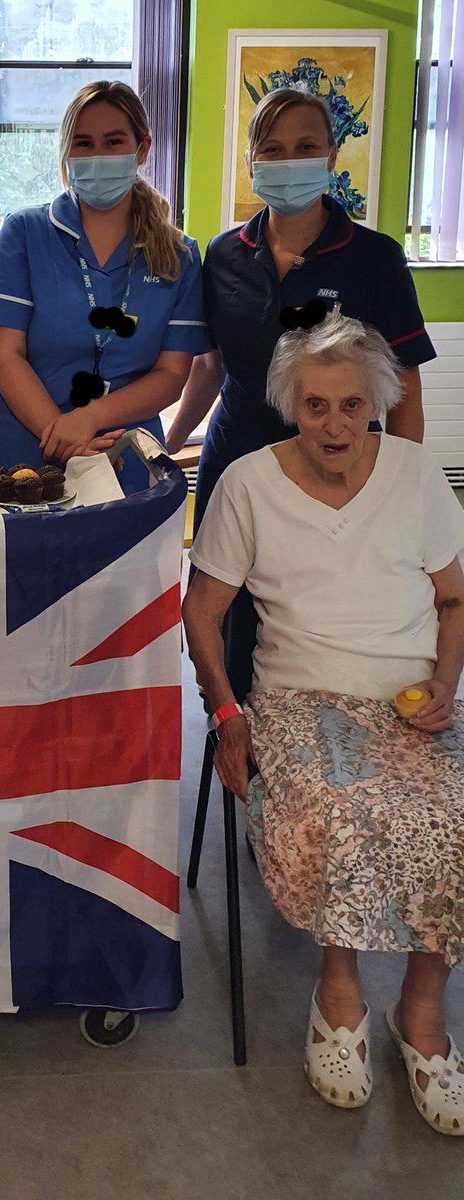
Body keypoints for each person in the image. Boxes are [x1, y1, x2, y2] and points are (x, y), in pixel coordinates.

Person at [182, 310, 464, 1135]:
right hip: (299, 698)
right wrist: (225, 710)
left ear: (376, 402)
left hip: (410, 694)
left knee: (453, 814)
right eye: (314, 405)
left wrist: (446, 681)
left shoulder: (415, 474)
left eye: (350, 405)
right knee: (341, 812)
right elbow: (201, 613)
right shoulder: (245, 484)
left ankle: (421, 1009)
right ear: (289, 406)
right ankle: (336, 993)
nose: (333, 424)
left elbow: (451, 599)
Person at [167, 87, 436, 698]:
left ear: (332, 156)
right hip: (236, 457)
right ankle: (236, 742)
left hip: (335, 463)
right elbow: (208, 369)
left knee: (316, 615)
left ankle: (324, 758)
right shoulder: (224, 254)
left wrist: (400, 483)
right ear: (252, 159)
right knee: (226, 618)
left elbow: (405, 386)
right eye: (273, 148)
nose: (289, 161)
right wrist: (167, 444)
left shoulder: (375, 258)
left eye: (306, 147)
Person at [0, 80, 209, 494]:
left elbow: (171, 374)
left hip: (122, 454)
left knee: (122, 557)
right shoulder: (26, 232)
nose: (98, 154)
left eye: (114, 141)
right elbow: (4, 356)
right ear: (66, 153)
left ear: (142, 149)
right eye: (83, 143)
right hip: (23, 449)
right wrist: (65, 437)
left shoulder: (179, 254)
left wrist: (89, 419)